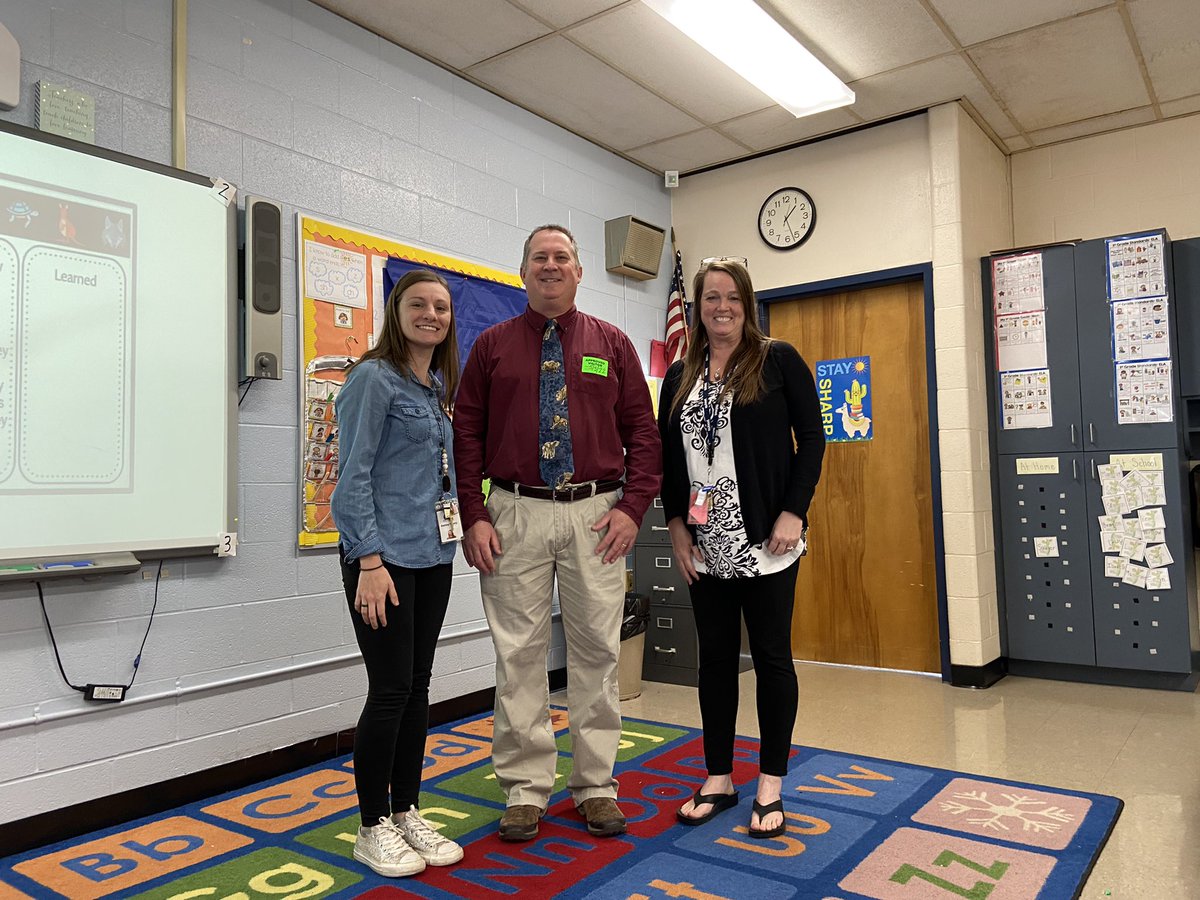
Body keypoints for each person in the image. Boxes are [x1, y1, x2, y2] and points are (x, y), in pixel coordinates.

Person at [453, 224, 661, 841]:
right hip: (513, 511)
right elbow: (465, 435)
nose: (551, 266)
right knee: (519, 655)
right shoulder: (490, 346)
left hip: (596, 513)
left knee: (598, 651)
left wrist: (633, 509)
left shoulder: (613, 344)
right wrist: (474, 514)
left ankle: (596, 784)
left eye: (561, 257)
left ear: (578, 272)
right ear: (522, 272)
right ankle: (525, 789)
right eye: (539, 257)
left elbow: (643, 434)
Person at [658, 258, 824, 839]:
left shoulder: (777, 359)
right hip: (705, 545)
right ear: (698, 307)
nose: (720, 307)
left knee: (773, 658)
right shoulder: (680, 374)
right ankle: (720, 778)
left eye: (731, 297)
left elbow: (814, 440)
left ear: (746, 302)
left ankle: (771, 783)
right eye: (710, 298)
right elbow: (668, 462)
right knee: (716, 662)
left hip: (767, 540)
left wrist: (794, 511)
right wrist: (676, 526)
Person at [330, 269, 466, 877]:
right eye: (419, 304)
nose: (431, 314)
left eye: (441, 306)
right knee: (389, 691)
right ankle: (371, 824)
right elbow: (351, 478)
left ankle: (407, 808)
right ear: (397, 310)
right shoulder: (373, 379)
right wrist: (369, 561)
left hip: (432, 556)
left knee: (417, 687)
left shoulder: (433, 387)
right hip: (381, 561)